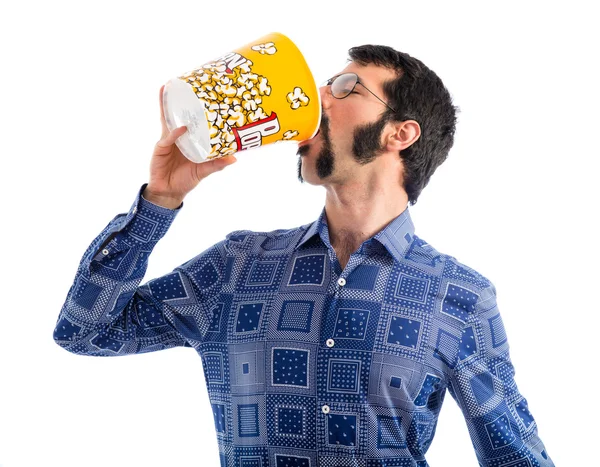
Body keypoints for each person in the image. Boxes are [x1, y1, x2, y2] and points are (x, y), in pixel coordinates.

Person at [54, 44, 554, 466]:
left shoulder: (460, 297)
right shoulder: (237, 265)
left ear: (399, 133)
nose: (315, 100)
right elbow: (85, 330)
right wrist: (158, 202)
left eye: (344, 89)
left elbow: (516, 456)